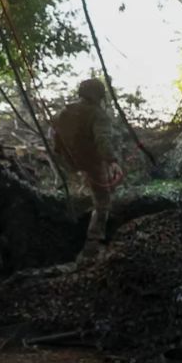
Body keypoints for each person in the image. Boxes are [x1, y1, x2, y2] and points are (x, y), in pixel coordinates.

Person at [51, 78, 123, 260]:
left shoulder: (64, 112)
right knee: (103, 200)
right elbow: (103, 141)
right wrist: (112, 160)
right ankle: (92, 246)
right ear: (99, 95)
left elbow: (55, 135)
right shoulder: (98, 115)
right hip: (91, 163)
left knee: (93, 191)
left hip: (68, 161)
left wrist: (62, 154)